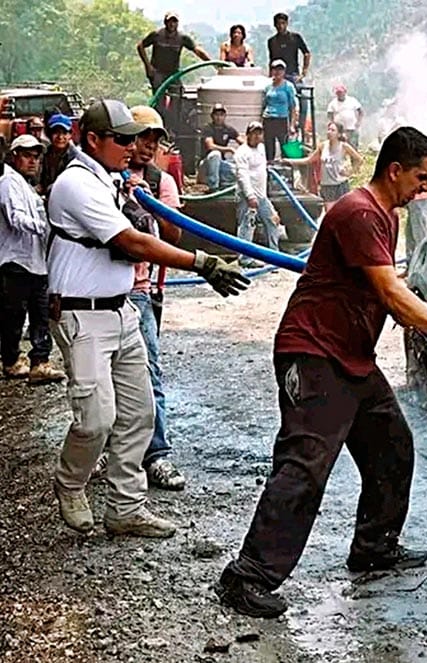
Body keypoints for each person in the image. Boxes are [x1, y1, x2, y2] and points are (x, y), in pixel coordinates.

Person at [215, 126, 427, 618]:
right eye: (420, 177)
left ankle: (374, 549)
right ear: (394, 169)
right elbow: (390, 295)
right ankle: (247, 576)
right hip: (314, 355)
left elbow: (390, 289)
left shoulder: (387, 217)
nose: (424, 188)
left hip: (352, 358)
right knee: (305, 466)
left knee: (392, 447)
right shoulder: (359, 212)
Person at [47, 99, 249, 538]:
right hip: (84, 317)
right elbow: (132, 242)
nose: (131, 145)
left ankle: (126, 507)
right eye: (121, 139)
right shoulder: (76, 185)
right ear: (93, 140)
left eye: (134, 138)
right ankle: (71, 481)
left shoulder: (116, 180)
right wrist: (203, 263)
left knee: (138, 414)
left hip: (122, 310)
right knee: (96, 419)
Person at [124, 105, 186, 490]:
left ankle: (156, 455)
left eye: (154, 140)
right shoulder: (102, 177)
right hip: (100, 292)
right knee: (105, 380)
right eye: (142, 137)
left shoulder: (160, 182)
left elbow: (175, 236)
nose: (148, 146)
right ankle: (112, 451)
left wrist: (153, 203)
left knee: (149, 374)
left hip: (140, 292)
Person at [0, 135, 66, 384]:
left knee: (40, 314)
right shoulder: (8, 183)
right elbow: (15, 218)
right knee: (13, 316)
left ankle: (40, 361)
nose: (33, 161)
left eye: (36, 156)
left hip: (35, 261)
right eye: (27, 155)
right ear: (15, 156)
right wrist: (45, 226)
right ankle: (11, 360)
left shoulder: (27, 186)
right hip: (16, 261)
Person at [136, 12, 212, 133]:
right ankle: (160, 125)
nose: (172, 24)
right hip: (158, 72)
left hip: (173, 72)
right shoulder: (157, 35)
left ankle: (174, 126)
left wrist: (211, 62)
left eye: (174, 22)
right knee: (159, 100)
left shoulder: (182, 38)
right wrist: (148, 66)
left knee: (178, 96)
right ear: (165, 22)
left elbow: (197, 50)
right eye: (170, 21)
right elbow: (140, 45)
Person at [281, 121, 362, 211]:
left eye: (333, 130)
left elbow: (359, 159)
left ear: (339, 134)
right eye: (329, 129)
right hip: (327, 185)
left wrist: (350, 172)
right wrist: (289, 161)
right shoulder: (323, 146)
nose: (329, 132)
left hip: (340, 184)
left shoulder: (344, 147)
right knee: (329, 212)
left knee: (343, 211)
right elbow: (309, 160)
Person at [234, 121, 282, 266]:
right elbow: (242, 175)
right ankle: (244, 258)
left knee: (274, 221)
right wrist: (250, 196)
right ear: (247, 134)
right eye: (253, 133)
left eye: (259, 133)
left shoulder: (261, 148)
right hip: (247, 196)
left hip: (262, 195)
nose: (256, 136)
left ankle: (275, 254)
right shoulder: (242, 153)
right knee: (247, 226)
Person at [261, 59, 298, 163]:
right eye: (275, 69)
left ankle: (286, 167)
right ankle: (269, 167)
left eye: (280, 69)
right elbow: (264, 104)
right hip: (268, 118)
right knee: (269, 145)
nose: (277, 72)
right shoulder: (268, 86)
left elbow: (293, 106)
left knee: (284, 144)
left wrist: (292, 125)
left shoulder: (288, 86)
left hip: (281, 119)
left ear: (284, 71)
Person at [200, 103, 241, 191]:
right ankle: (213, 187)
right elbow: (210, 146)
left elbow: (241, 141)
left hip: (221, 164)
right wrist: (229, 149)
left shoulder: (228, 129)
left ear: (225, 116)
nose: (219, 118)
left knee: (238, 171)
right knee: (215, 154)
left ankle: (224, 182)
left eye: (221, 115)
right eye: (216, 115)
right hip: (207, 164)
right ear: (212, 116)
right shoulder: (207, 128)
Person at [39, 113, 78, 196]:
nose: (60, 137)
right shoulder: (46, 153)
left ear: (70, 135)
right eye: (56, 133)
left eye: (64, 133)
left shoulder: (75, 157)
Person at [267, 12, 310, 86]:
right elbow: (271, 60)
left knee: (299, 93)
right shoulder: (272, 41)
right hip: (278, 75)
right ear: (275, 25)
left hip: (293, 74)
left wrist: (304, 72)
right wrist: (271, 76)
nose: (281, 26)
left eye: (283, 23)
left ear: (287, 23)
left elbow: (306, 53)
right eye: (278, 23)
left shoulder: (295, 37)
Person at [326, 85, 363, 149]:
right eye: (338, 93)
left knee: (353, 147)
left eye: (341, 92)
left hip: (352, 128)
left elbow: (361, 112)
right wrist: (332, 125)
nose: (340, 94)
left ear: (345, 92)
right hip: (340, 130)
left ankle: (354, 158)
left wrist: (358, 122)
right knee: (340, 147)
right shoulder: (333, 103)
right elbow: (329, 115)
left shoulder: (352, 100)